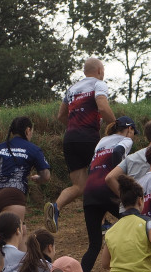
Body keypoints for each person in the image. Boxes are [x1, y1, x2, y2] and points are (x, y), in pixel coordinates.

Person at [45, 59, 114, 232]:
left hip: (70, 138)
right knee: (100, 178)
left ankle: (56, 207)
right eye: (103, 70)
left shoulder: (72, 89)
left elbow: (61, 115)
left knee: (80, 186)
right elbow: (103, 107)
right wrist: (115, 125)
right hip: (89, 137)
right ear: (99, 70)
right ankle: (103, 223)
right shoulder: (99, 84)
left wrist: (75, 126)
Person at [80, 116, 136, 272]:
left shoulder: (102, 141)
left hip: (90, 191)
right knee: (135, 222)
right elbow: (118, 152)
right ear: (129, 129)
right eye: (134, 132)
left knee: (94, 244)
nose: (133, 136)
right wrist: (122, 179)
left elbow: (91, 167)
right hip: (108, 188)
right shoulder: (126, 140)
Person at [0, 116, 51, 221]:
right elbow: (46, 176)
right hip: (12, 193)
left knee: (16, 231)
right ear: (28, 130)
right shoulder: (33, 149)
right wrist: (38, 179)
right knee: (12, 234)